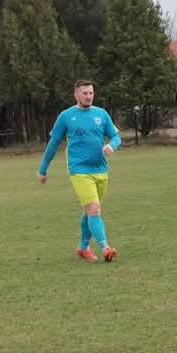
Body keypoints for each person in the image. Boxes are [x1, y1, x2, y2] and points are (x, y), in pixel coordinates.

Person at [37, 80, 122, 263]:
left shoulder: (101, 114)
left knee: (90, 211)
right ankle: (106, 248)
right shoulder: (66, 116)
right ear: (76, 95)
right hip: (79, 171)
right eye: (84, 93)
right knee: (94, 209)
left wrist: (112, 146)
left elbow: (116, 136)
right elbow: (53, 144)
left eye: (91, 93)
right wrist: (43, 169)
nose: (88, 96)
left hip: (101, 170)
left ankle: (83, 248)